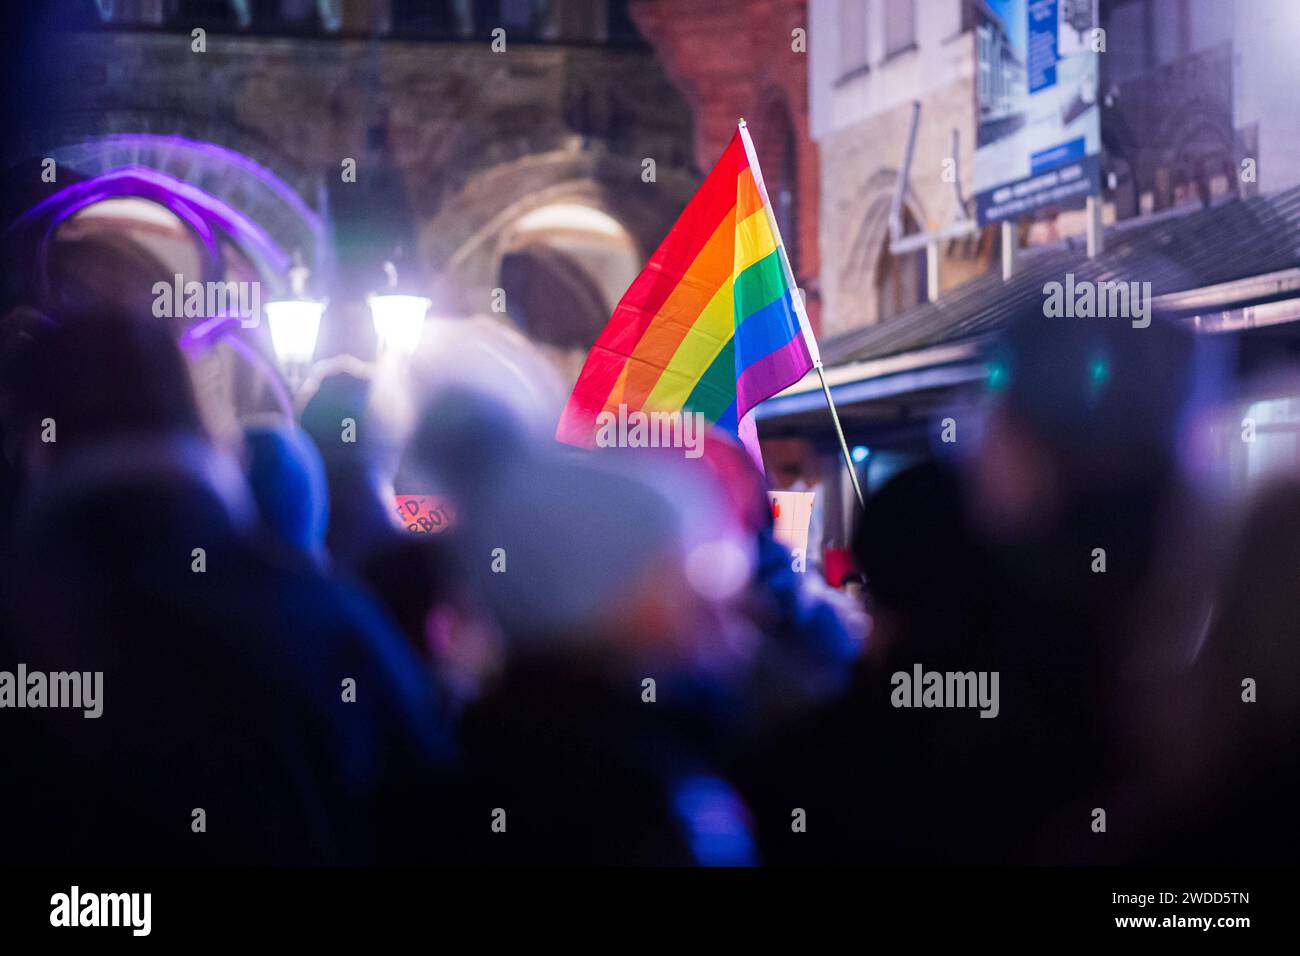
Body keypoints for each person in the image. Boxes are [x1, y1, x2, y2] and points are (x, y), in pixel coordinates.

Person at [0, 310, 456, 865]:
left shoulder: (23, 616)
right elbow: (429, 808)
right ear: (210, 435)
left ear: (37, 444)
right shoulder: (319, 619)